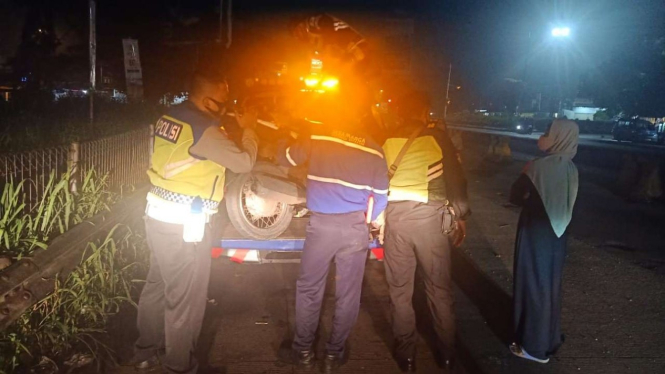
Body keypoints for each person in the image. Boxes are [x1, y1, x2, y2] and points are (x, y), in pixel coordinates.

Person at [128, 72, 259, 373]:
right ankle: (179, 365)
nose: (226, 107)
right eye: (222, 102)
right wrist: (250, 130)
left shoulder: (172, 116)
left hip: (158, 215)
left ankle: (145, 352)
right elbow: (243, 162)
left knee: (157, 285)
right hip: (186, 225)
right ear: (205, 99)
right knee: (185, 298)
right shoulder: (203, 128)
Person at [276, 84, 389, 373]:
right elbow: (381, 198)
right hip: (354, 229)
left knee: (309, 289)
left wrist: (284, 134)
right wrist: (364, 222)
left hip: (321, 227)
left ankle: (302, 353)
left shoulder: (318, 136)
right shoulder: (375, 151)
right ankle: (332, 355)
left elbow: (285, 158)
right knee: (348, 294)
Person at [381, 91, 470, 372]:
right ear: (423, 113)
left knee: (399, 291)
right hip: (430, 220)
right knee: (439, 288)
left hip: (396, 219)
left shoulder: (386, 138)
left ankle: (406, 356)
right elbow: (455, 178)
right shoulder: (437, 137)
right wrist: (461, 215)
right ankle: (446, 354)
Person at [509, 119, 579, 364]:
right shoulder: (571, 168)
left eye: (550, 132)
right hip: (558, 236)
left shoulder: (538, 167)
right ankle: (548, 339)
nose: (545, 135)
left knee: (533, 285)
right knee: (549, 285)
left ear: (558, 136)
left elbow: (515, 196)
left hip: (535, 232)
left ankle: (534, 348)